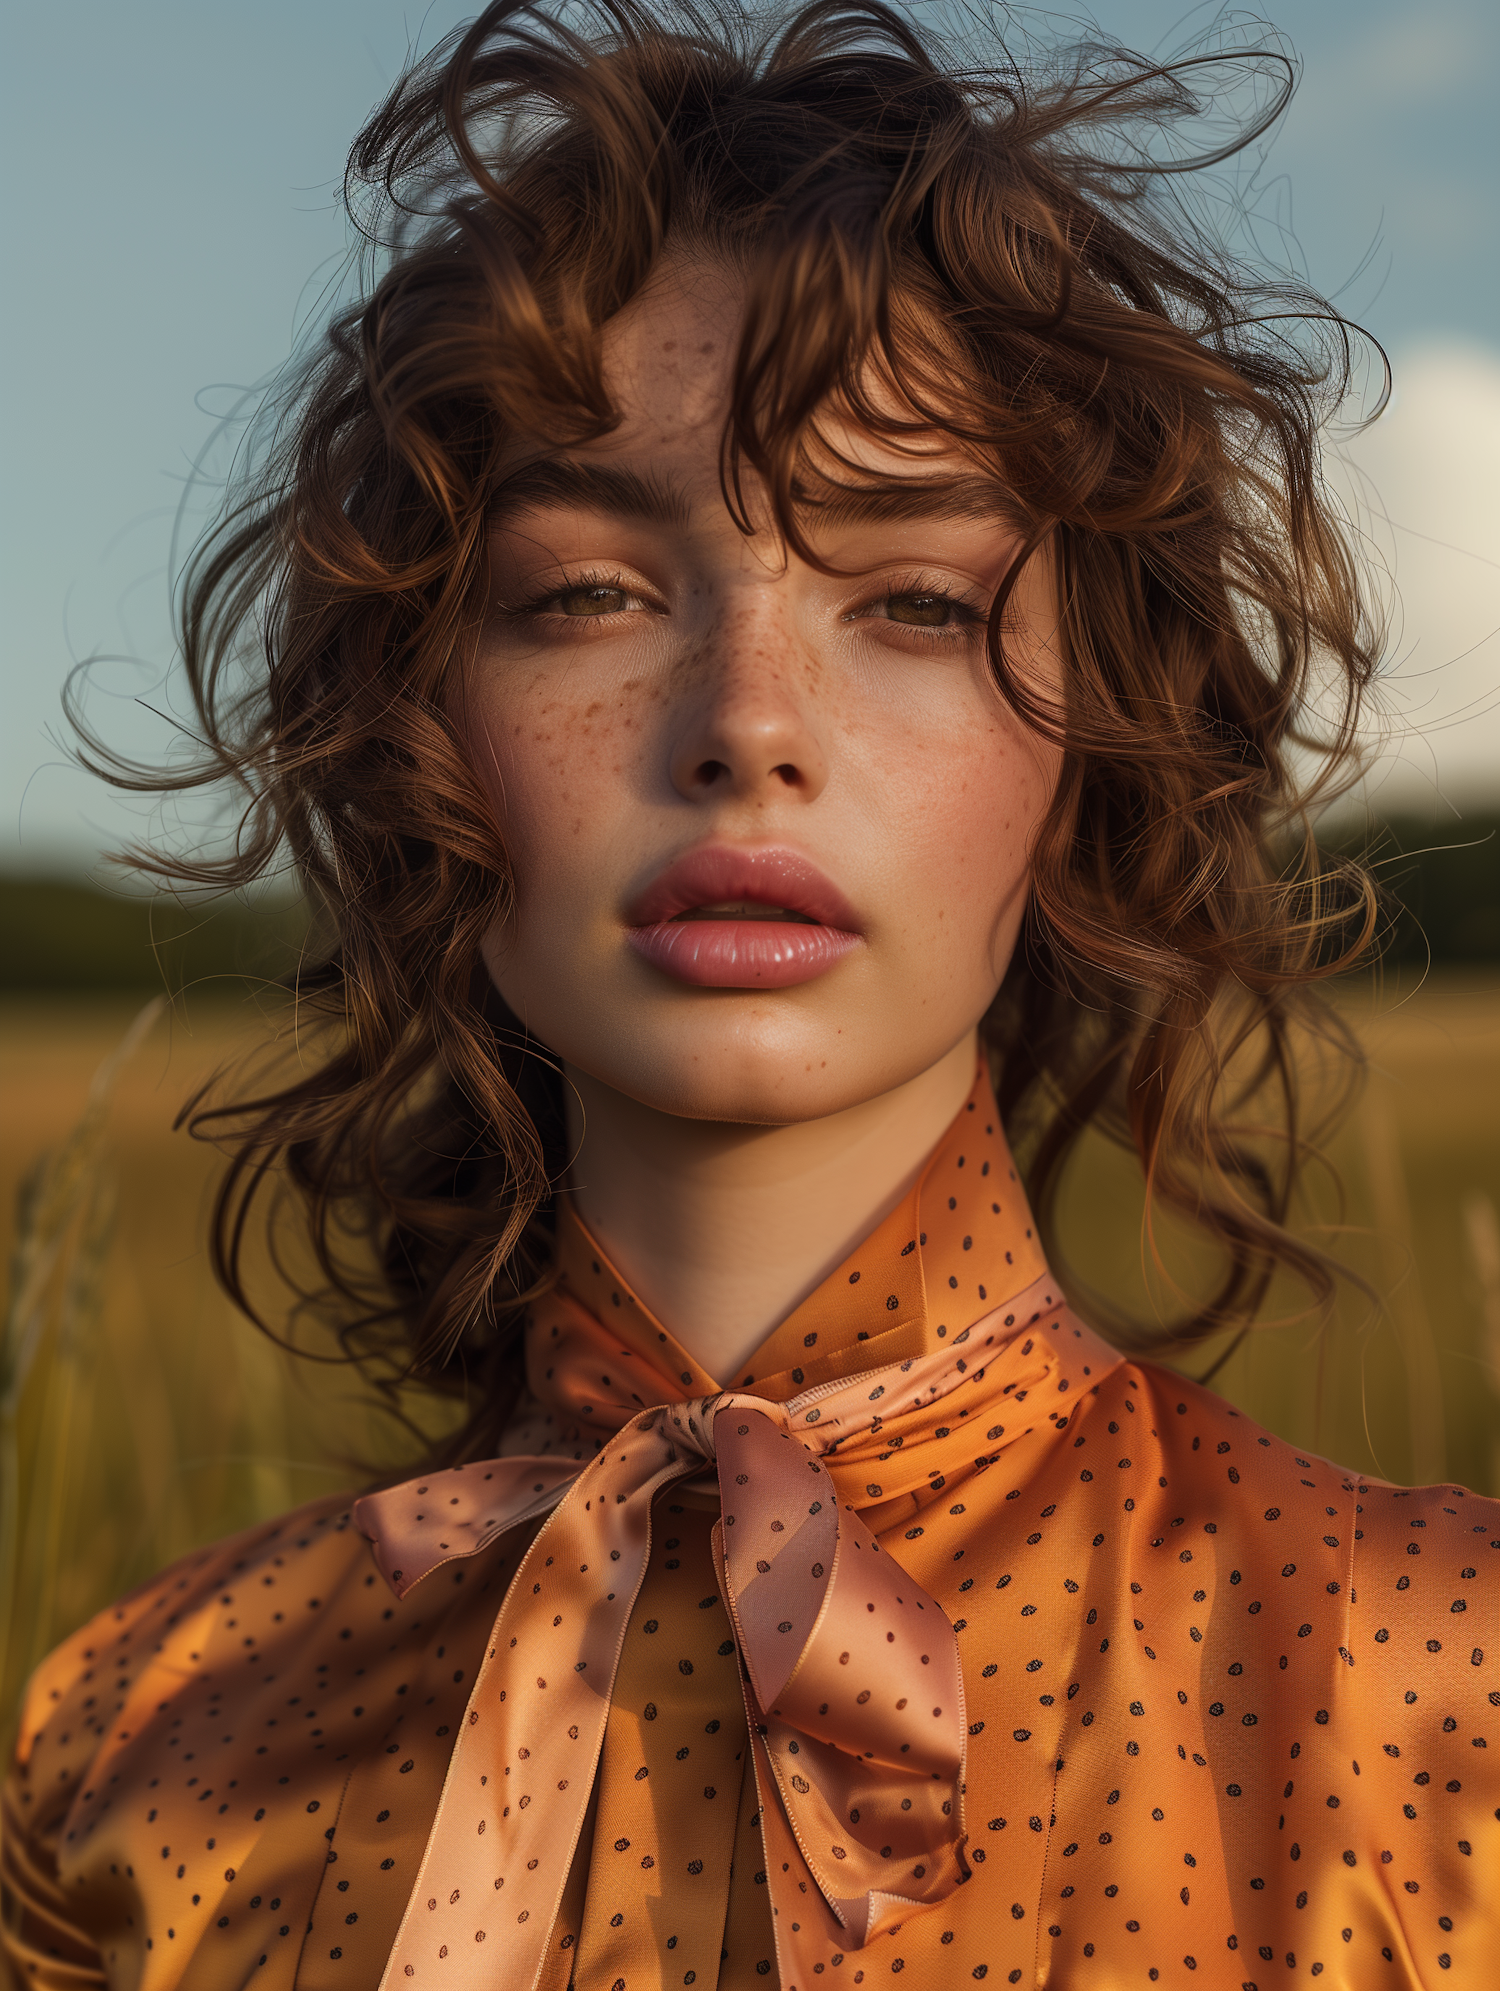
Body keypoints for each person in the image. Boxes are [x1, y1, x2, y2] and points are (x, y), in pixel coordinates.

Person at [3, 3, 1495, 1986]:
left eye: (912, 602)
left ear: (1097, 746)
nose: (750, 726)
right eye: (588, 595)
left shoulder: (1441, 1690)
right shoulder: (133, 1755)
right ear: (417, 726)